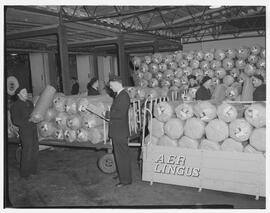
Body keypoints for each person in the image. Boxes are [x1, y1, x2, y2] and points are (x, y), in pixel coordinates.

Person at [106, 76, 132, 187]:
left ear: (117, 84)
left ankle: (125, 180)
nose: (111, 88)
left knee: (122, 157)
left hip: (120, 132)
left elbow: (120, 114)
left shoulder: (123, 96)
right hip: (118, 131)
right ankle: (122, 174)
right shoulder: (119, 95)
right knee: (120, 156)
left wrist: (107, 114)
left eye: (111, 86)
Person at [10, 86, 38, 179]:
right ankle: (25, 173)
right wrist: (28, 120)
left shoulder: (30, 103)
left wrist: (37, 117)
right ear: (19, 94)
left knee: (35, 150)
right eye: (24, 92)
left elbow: (34, 114)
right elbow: (15, 121)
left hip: (33, 129)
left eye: (26, 92)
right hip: (25, 130)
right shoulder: (15, 106)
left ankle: (33, 170)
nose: (27, 94)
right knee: (27, 151)